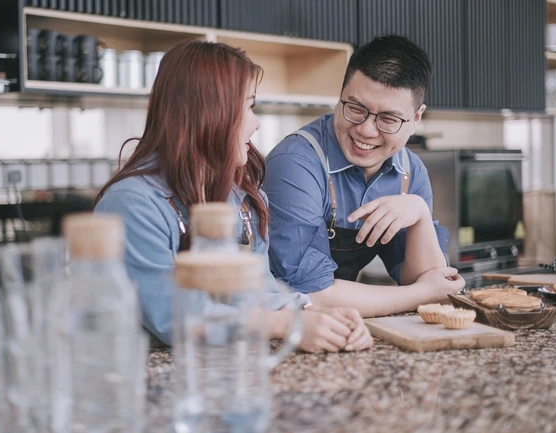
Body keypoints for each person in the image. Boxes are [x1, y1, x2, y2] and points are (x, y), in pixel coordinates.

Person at [93, 40, 372, 353]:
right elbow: (176, 320)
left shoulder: (239, 198)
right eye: (249, 107)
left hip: (217, 371)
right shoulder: (131, 204)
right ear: (210, 114)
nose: (256, 123)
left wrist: (321, 318)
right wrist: (284, 324)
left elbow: (259, 293)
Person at [262, 35, 465, 317]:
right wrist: (422, 293)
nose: (367, 131)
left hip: (339, 326)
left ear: (416, 119)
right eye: (356, 109)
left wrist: (418, 213)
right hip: (276, 332)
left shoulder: (410, 171)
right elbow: (311, 294)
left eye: (388, 119)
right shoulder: (295, 164)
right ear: (340, 96)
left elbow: (433, 284)